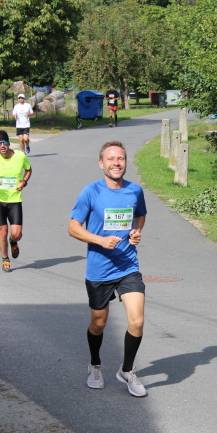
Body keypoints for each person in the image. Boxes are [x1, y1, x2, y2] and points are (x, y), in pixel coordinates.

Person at [68, 141, 148, 397]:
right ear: (101, 163)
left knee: (137, 321)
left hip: (127, 266)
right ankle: (95, 364)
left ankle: (127, 370)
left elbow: (140, 215)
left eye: (120, 158)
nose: (116, 163)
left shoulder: (135, 191)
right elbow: (73, 227)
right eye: (111, 159)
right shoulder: (91, 192)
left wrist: (136, 231)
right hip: (99, 269)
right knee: (98, 323)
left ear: (125, 162)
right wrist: (100, 240)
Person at [0, 130, 32, 272]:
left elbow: (28, 170)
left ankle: (13, 241)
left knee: (17, 234)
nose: (2, 146)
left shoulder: (20, 156)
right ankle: (5, 259)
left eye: (4, 143)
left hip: (15, 200)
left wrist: (24, 182)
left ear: (9, 143)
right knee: (2, 231)